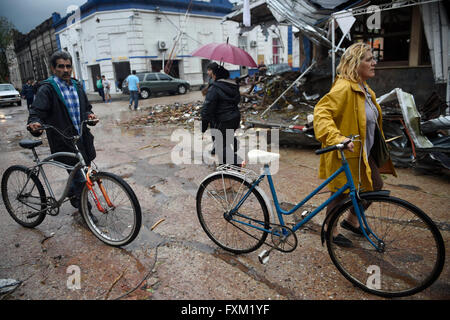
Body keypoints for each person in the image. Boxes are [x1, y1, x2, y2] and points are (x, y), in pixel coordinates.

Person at [313, 42, 396, 247]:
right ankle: (329, 231)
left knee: (375, 185)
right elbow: (321, 113)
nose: (374, 63)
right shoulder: (344, 87)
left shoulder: (364, 88)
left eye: (373, 59)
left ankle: (351, 221)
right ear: (355, 63)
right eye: (369, 59)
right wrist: (338, 138)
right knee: (339, 194)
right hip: (346, 151)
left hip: (363, 152)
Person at [27, 50, 99, 216]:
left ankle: (73, 194)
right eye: (61, 66)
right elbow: (36, 111)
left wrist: (90, 116)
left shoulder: (77, 86)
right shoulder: (48, 89)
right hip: (63, 141)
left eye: (68, 66)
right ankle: (86, 214)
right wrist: (34, 123)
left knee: (84, 173)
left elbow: (86, 108)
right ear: (53, 68)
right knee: (81, 180)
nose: (65, 70)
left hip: (82, 139)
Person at [201, 64, 241, 166]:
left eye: (210, 71)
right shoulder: (233, 86)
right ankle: (224, 166)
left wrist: (203, 126)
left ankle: (237, 163)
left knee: (220, 145)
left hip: (223, 120)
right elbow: (236, 101)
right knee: (224, 142)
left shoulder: (214, 88)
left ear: (214, 74)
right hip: (234, 118)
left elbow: (207, 109)